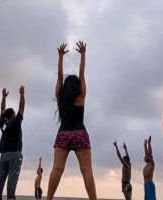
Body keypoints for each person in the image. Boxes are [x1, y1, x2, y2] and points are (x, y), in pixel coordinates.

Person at [47, 42, 97, 200]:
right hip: (80, 133)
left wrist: (60, 57)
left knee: (57, 169)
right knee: (87, 171)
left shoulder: (60, 95)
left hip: (63, 134)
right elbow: (82, 75)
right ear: (77, 87)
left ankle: (48, 199)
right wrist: (83, 54)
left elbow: (60, 77)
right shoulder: (81, 95)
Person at [0, 86, 25, 200]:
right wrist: (22, 94)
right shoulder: (15, 122)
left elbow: (2, 110)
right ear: (13, 115)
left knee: (1, 177)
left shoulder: (2, 123)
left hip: (3, 154)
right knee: (13, 176)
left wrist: (3, 97)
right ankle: (11, 197)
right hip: (14, 153)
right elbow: (21, 108)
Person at [143, 136, 156, 200]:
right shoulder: (147, 165)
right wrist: (145, 145)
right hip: (146, 184)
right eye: (145, 156)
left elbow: (149, 154)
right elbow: (147, 154)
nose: (145, 157)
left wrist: (149, 143)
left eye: (146, 157)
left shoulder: (151, 164)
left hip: (149, 184)